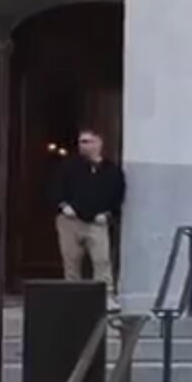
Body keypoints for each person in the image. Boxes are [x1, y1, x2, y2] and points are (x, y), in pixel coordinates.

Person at [51, 128, 125, 310]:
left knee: (101, 260)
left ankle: (106, 296)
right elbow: (54, 187)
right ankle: (72, 298)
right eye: (81, 142)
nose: (83, 146)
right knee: (71, 261)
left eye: (87, 141)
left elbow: (117, 195)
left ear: (99, 143)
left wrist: (108, 213)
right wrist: (63, 205)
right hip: (71, 220)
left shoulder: (111, 170)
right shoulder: (68, 166)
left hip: (97, 222)